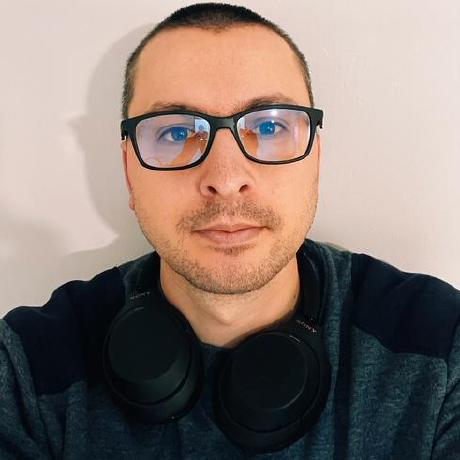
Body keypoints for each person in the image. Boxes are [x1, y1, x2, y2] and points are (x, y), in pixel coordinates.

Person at [1, 2, 459, 458]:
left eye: (269, 126)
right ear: (129, 170)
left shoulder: (439, 349)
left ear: (315, 160)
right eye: (177, 133)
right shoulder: (29, 370)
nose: (225, 177)